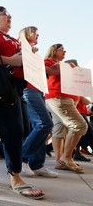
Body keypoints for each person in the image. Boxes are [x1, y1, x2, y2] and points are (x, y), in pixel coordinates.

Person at [0, 6, 44, 200]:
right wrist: (10, 59)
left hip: (17, 88)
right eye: (6, 14)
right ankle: (15, 177)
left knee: (23, 131)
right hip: (2, 86)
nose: (10, 17)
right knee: (12, 130)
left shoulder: (14, 40)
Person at [19, 26, 58, 178]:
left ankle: (37, 164)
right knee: (44, 123)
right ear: (27, 34)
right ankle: (22, 158)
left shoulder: (35, 53)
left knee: (40, 126)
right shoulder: (21, 47)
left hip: (38, 89)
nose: (37, 35)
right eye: (35, 32)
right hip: (28, 89)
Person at [44, 44, 88, 173]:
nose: (65, 51)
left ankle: (59, 161)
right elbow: (46, 71)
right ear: (54, 50)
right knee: (80, 125)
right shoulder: (49, 61)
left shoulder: (61, 64)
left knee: (59, 129)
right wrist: (66, 69)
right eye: (61, 49)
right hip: (59, 98)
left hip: (64, 99)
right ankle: (67, 157)